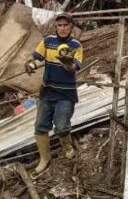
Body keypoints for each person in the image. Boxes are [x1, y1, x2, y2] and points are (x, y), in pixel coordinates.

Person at [26, 13, 84, 173]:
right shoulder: (48, 41)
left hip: (66, 93)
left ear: (71, 27)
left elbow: (75, 67)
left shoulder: (76, 45)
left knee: (61, 125)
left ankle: (67, 145)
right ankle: (44, 158)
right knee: (40, 126)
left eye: (66, 25)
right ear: (56, 27)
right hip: (47, 91)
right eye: (60, 25)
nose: (63, 28)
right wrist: (31, 64)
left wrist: (68, 64)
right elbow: (36, 58)